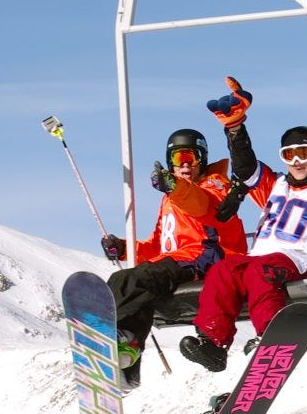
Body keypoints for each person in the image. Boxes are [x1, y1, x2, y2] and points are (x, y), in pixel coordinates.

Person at [177, 119, 307, 373]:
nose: (296, 162)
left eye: (303, 153)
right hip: (260, 255)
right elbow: (246, 168)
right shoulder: (277, 185)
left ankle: (270, 338)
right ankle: (213, 343)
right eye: (289, 154)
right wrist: (235, 128)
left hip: (297, 257)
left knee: (260, 272)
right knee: (223, 271)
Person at [99, 109, 249, 387]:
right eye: (179, 158)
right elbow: (158, 244)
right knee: (131, 283)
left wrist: (175, 187)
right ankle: (127, 365)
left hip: (203, 258)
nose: (186, 164)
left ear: (202, 159)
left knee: (134, 280)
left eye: (192, 157)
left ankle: (118, 339)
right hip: (176, 259)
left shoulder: (214, 184)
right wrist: (123, 248)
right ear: (171, 161)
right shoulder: (171, 198)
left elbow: (206, 206)